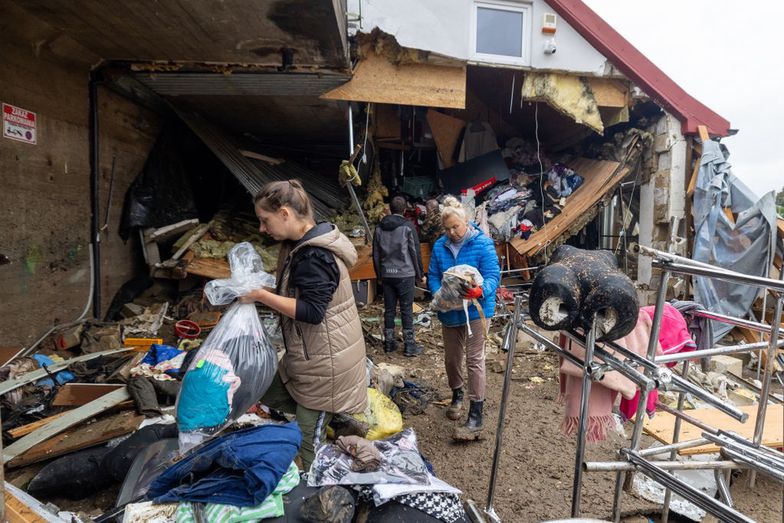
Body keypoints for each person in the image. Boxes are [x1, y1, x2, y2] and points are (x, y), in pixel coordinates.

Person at [241, 179, 367, 470]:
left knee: (307, 442)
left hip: (327, 367)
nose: (262, 228)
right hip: (311, 357)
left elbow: (312, 311)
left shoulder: (314, 255)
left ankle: (317, 492)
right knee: (263, 388)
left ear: (285, 213)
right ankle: (331, 419)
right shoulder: (299, 244)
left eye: (265, 220)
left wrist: (261, 296)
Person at [427, 196, 500, 440]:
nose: (452, 232)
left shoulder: (483, 244)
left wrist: (482, 290)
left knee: (475, 359)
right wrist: (439, 293)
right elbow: (433, 275)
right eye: (447, 228)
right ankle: (457, 394)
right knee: (452, 358)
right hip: (450, 311)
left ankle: (476, 414)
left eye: (456, 227)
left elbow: (492, 275)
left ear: (466, 222)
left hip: (476, 311)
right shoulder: (440, 246)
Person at [372, 195, 425, 357]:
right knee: (406, 309)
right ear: (404, 210)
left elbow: (375, 254)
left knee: (389, 309)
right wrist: (420, 274)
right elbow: (414, 251)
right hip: (405, 274)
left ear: (390, 209)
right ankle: (409, 346)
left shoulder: (379, 228)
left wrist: (379, 275)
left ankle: (389, 344)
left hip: (387, 275)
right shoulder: (408, 227)